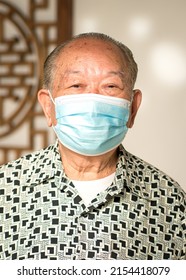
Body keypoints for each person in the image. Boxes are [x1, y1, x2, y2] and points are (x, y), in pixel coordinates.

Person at [0, 32, 185, 260]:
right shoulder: (5, 189)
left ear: (133, 108)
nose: (94, 102)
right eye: (76, 85)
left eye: (110, 86)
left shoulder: (169, 200)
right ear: (49, 106)